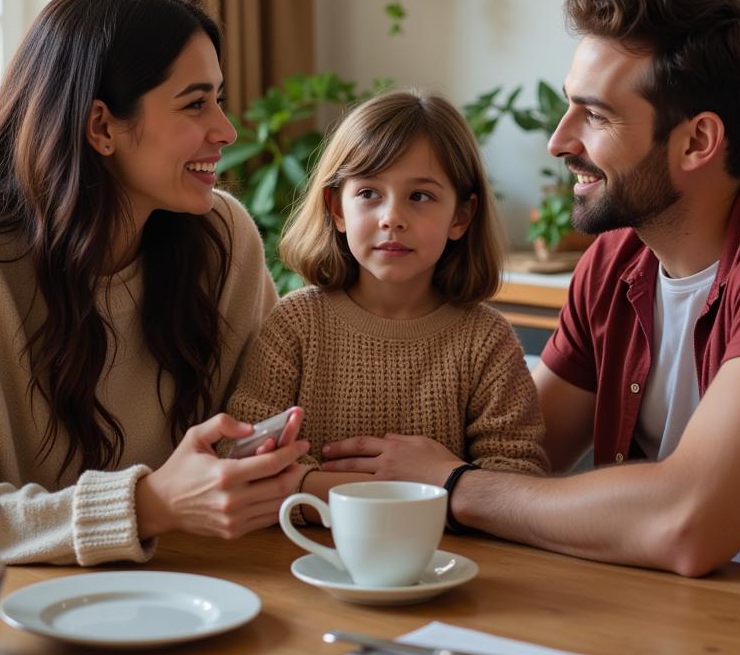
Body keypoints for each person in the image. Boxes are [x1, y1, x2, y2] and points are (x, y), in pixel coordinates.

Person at [320, 0, 740, 655]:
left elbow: (689, 524)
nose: (561, 140)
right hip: (653, 629)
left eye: (593, 116)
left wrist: (454, 485)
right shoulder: (616, 259)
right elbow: (520, 453)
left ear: (697, 142)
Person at [0, 0, 310, 566]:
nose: (226, 131)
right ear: (101, 126)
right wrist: (146, 505)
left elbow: (250, 440)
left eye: (219, 100)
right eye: (195, 104)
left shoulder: (224, 240)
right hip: (20, 616)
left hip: (200, 584)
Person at [226, 89, 548, 508]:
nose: (392, 217)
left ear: (461, 217)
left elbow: (517, 477)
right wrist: (385, 493)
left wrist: (309, 483)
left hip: (441, 564)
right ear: (336, 208)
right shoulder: (296, 325)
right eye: (369, 193)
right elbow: (241, 456)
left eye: (420, 196)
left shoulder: (486, 341)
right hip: (298, 560)